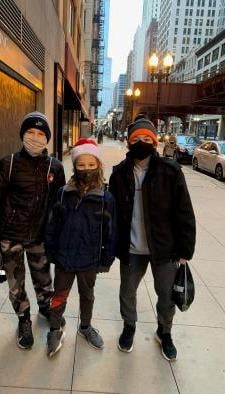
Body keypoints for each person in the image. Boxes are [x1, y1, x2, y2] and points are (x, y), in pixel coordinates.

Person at [108, 117, 196, 361]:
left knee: (166, 294)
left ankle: (164, 332)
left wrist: (185, 250)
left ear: (155, 142)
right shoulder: (118, 174)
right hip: (131, 247)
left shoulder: (171, 171)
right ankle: (129, 327)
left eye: (148, 139)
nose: (142, 143)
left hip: (164, 248)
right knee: (127, 291)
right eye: (137, 139)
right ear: (128, 143)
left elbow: (184, 212)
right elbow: (110, 213)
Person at [0, 111, 66, 350]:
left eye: (41, 133)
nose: (35, 137)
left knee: (44, 280)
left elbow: (59, 206)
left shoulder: (55, 167)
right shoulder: (8, 163)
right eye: (30, 132)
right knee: (16, 284)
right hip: (10, 237)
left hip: (40, 237)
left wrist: (58, 237)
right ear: (22, 134)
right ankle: (23, 319)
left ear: (47, 139)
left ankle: (45, 309)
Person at [44, 138, 117, 357]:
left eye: (91, 165)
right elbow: (52, 224)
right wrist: (50, 249)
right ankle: (55, 329)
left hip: (89, 259)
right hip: (65, 258)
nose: (86, 169)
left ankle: (85, 327)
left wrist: (107, 258)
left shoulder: (105, 198)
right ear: (75, 166)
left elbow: (112, 231)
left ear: (98, 165)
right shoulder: (63, 193)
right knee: (59, 294)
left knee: (87, 295)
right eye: (81, 164)